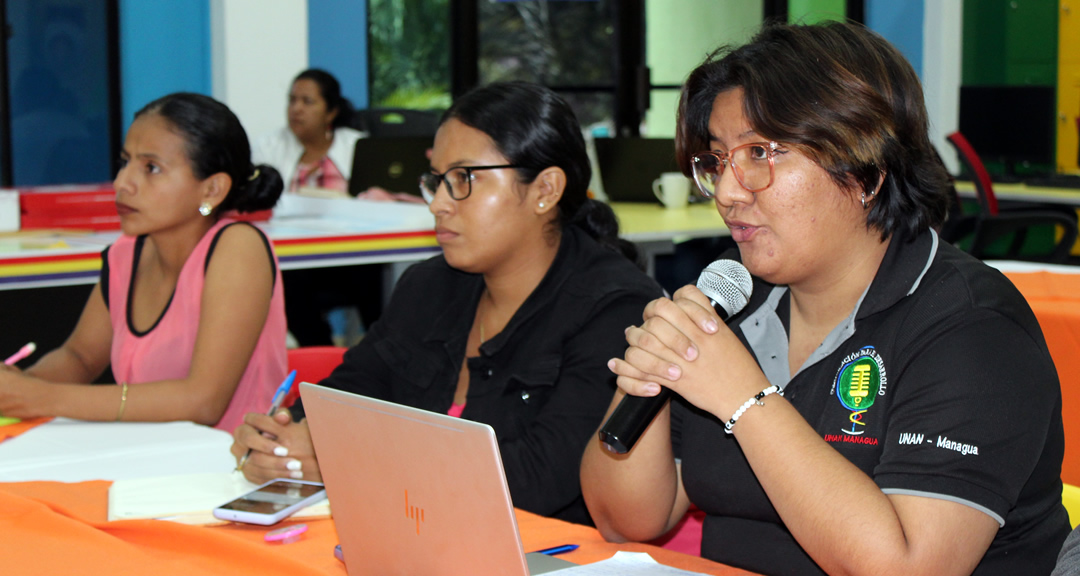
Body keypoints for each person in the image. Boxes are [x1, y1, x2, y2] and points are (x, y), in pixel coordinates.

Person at [580, 21, 1070, 575]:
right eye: (717, 160)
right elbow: (627, 521)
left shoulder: (972, 329)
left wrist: (745, 399)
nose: (727, 190)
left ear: (867, 168)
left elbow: (906, 568)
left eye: (760, 153)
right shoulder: (731, 301)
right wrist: (644, 381)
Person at [231, 81, 664, 525]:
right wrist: (280, 438)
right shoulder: (430, 285)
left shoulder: (615, 309)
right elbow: (347, 393)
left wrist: (345, 459)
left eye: (463, 179)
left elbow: (541, 477)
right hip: (412, 534)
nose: (438, 204)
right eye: (437, 181)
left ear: (545, 190)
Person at [0, 93, 287, 433]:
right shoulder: (126, 253)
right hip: (143, 459)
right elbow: (80, 357)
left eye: (151, 168)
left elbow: (202, 402)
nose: (123, 183)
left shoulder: (238, 249)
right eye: (125, 162)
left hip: (230, 469)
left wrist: (43, 398)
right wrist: (19, 388)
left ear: (212, 189)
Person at [252, 69, 362, 194]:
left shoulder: (357, 145)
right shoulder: (266, 147)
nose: (296, 109)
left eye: (307, 101)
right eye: (292, 100)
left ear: (331, 113)